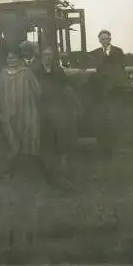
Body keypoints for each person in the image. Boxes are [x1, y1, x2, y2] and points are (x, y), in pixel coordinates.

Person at [34, 47, 81, 184]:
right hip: (42, 108)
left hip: (58, 107)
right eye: (45, 55)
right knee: (45, 137)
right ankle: (47, 169)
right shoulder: (37, 72)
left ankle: (61, 168)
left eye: (50, 55)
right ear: (41, 57)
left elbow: (66, 86)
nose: (48, 57)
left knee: (60, 136)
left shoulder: (58, 71)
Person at [0, 49, 41, 162]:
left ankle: (27, 161)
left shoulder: (26, 72)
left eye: (13, 58)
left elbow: (37, 90)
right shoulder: (2, 74)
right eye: (9, 58)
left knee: (27, 133)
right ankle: (13, 161)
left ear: (19, 59)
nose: (11, 60)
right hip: (7, 109)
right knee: (11, 135)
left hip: (25, 109)